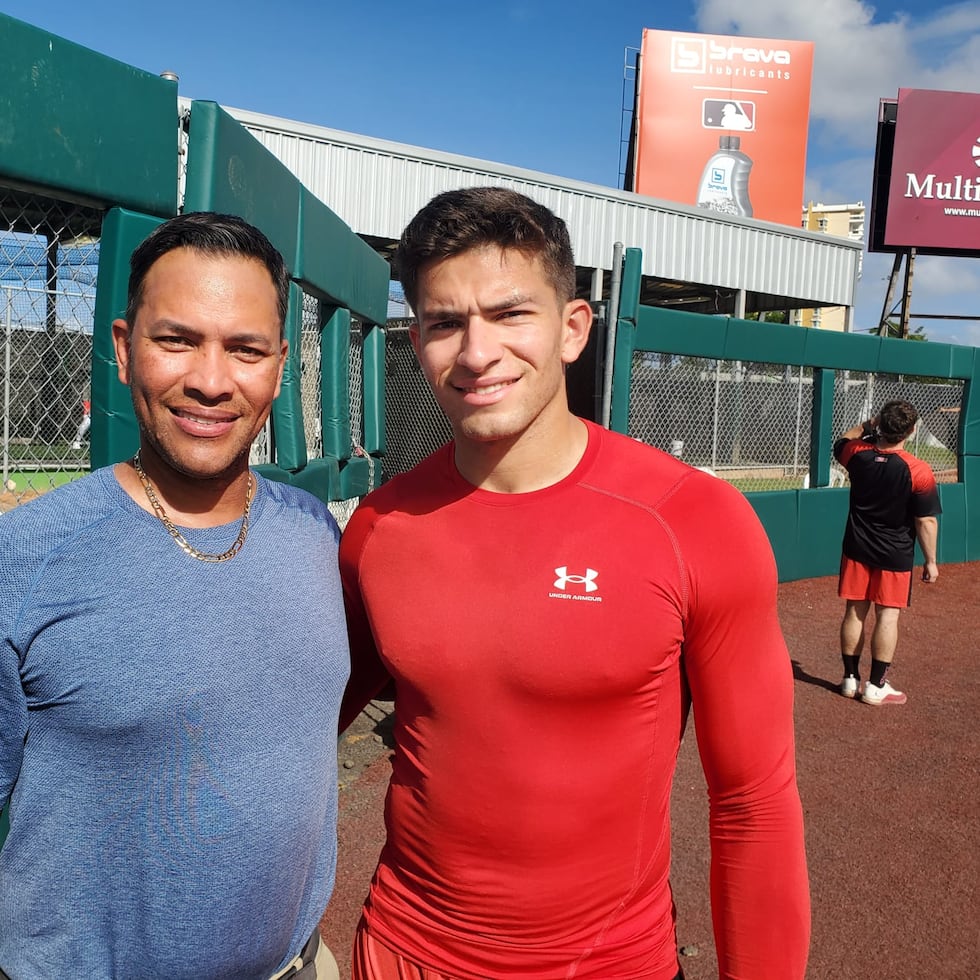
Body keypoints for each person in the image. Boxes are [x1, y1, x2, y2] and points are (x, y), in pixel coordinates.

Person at [339, 187, 810, 980]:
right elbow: (290, 735)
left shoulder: (693, 521)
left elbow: (753, 805)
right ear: (416, 339)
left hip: (604, 964)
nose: (477, 351)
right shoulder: (380, 527)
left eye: (510, 313)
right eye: (446, 322)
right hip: (401, 951)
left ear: (573, 329)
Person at [0, 212, 349, 980]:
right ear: (124, 350)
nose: (212, 380)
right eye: (177, 339)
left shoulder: (315, 536)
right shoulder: (25, 562)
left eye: (246, 349)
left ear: (281, 365)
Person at [834, 399, 941, 706]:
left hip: (856, 547)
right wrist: (931, 561)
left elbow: (843, 439)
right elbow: (926, 521)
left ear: (880, 423)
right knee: (887, 617)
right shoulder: (918, 470)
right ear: (911, 431)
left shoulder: (856, 455)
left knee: (855, 611)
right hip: (895, 554)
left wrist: (867, 425)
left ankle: (849, 679)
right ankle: (876, 685)